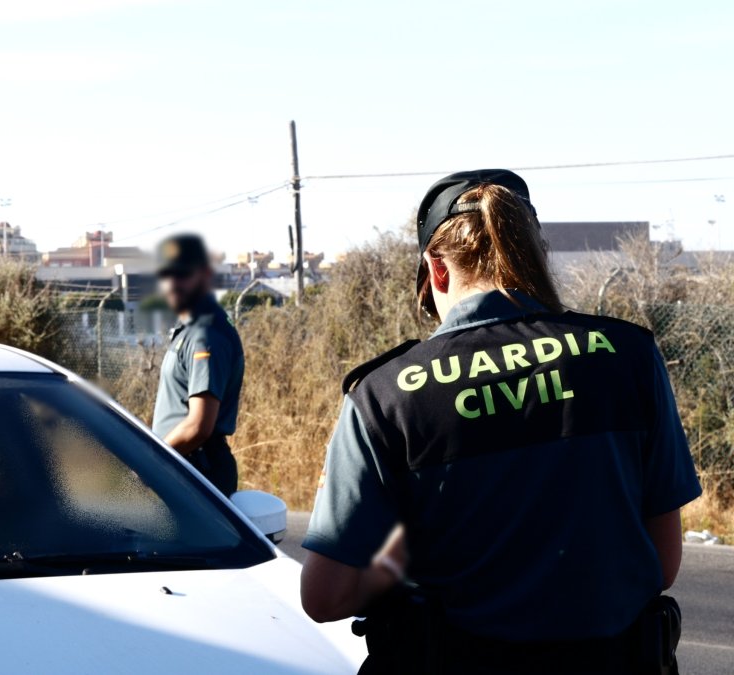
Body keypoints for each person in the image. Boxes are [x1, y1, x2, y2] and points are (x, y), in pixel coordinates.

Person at [299, 169, 702, 674]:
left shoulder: (383, 395)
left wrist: (398, 559)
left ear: (436, 270)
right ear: (535, 255)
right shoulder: (629, 355)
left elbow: (324, 597)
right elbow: (662, 563)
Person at [151, 233, 245, 497]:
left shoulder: (206, 335)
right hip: (183, 467)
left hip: (196, 470)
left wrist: (151, 460)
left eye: (182, 274)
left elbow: (198, 426)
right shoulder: (191, 329)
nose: (172, 283)